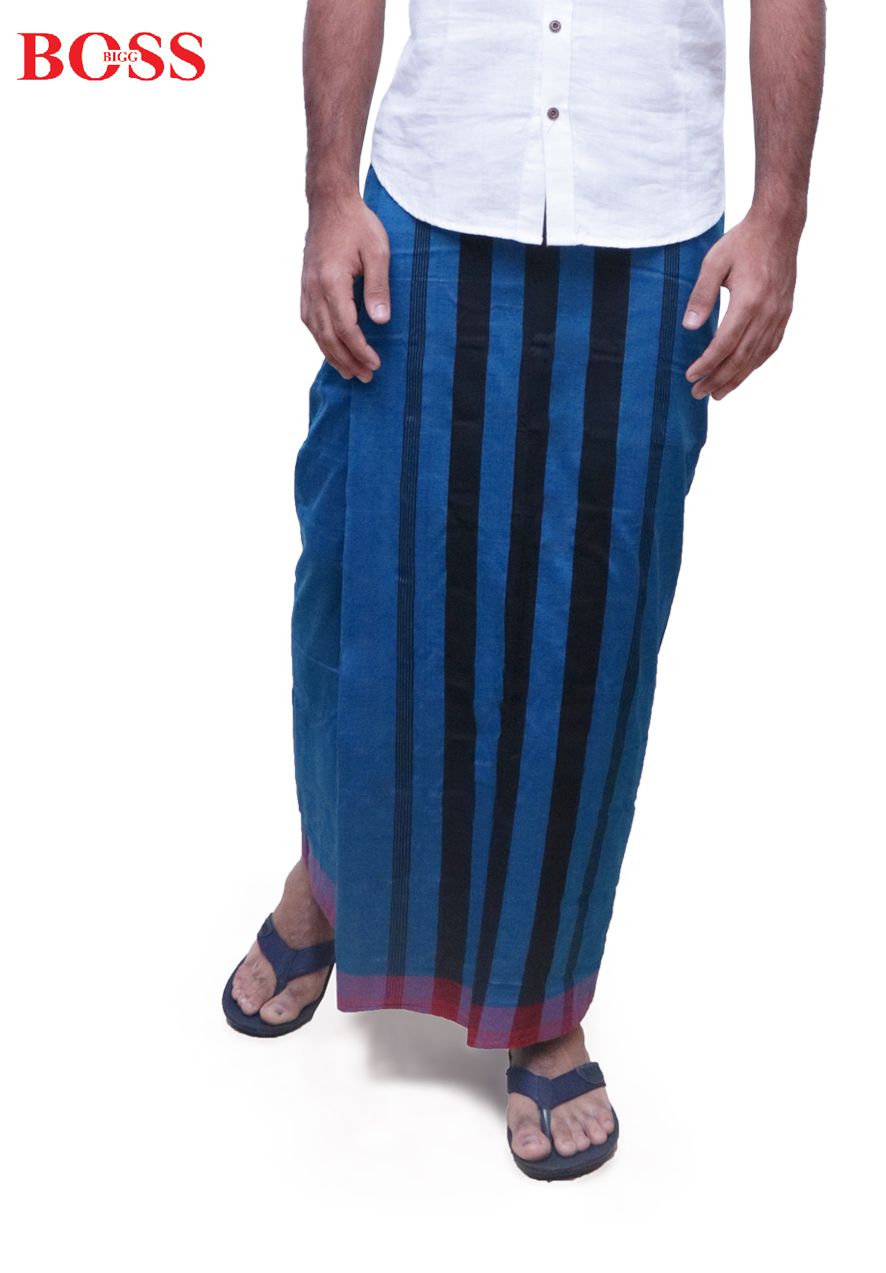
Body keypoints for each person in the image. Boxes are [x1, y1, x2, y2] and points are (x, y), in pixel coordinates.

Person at [223, 0, 825, 1181]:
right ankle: (327, 883)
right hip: (426, 195)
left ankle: (541, 999)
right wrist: (328, 196)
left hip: (648, 222)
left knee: (588, 628)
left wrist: (780, 217)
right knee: (360, 589)